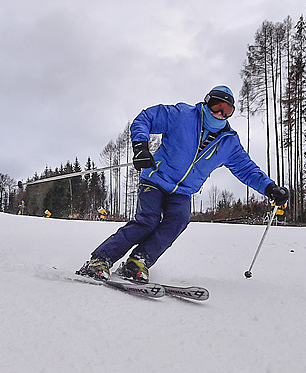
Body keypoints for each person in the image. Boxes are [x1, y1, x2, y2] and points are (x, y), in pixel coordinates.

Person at [78, 85, 289, 284]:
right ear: (207, 103)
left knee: (180, 218)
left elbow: (247, 170)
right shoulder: (183, 115)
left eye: (227, 110)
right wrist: (140, 146)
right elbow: (146, 118)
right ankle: (101, 259)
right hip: (155, 179)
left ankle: (138, 262)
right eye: (217, 106)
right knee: (148, 221)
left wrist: (270, 188)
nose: (220, 114)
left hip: (183, 192)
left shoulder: (229, 143)